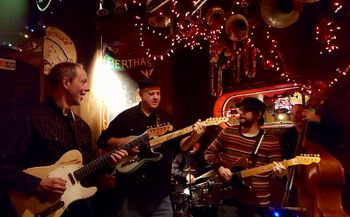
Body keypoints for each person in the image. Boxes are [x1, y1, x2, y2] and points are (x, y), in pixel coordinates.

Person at [0, 62, 128, 217]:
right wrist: (37, 184)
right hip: (40, 209)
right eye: (83, 82)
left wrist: (109, 163)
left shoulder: (82, 126)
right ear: (66, 82)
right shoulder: (32, 118)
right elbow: (3, 166)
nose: (87, 88)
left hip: (77, 208)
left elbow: (87, 167)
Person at [96, 77, 206, 217]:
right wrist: (124, 142)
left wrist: (195, 136)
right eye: (151, 93)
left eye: (158, 93)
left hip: (161, 195)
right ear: (140, 94)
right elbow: (102, 141)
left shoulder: (166, 118)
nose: (156, 97)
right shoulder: (126, 117)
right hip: (131, 195)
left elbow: (181, 146)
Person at [204, 97, 287, 217]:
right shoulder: (228, 132)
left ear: (258, 115)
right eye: (241, 109)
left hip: (257, 202)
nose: (241, 113)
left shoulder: (270, 140)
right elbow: (209, 152)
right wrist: (220, 168)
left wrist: (281, 173)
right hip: (230, 198)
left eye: (246, 110)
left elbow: (276, 170)